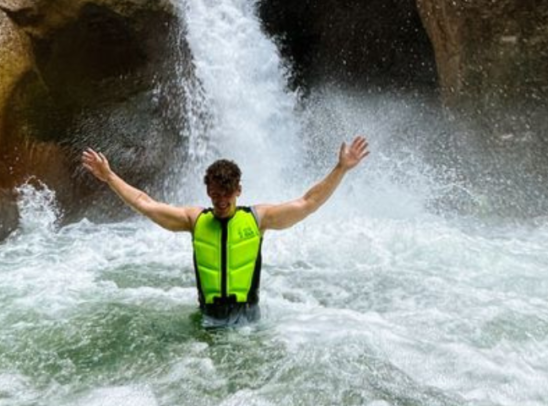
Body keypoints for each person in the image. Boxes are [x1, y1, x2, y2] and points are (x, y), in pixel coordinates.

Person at [80, 136, 370, 328]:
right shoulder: (195, 220)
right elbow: (146, 204)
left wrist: (341, 169)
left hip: (249, 322)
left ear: (238, 192)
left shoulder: (258, 219)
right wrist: (109, 177)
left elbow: (308, 202)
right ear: (208, 191)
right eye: (215, 195)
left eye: (226, 196)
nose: (220, 202)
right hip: (208, 321)